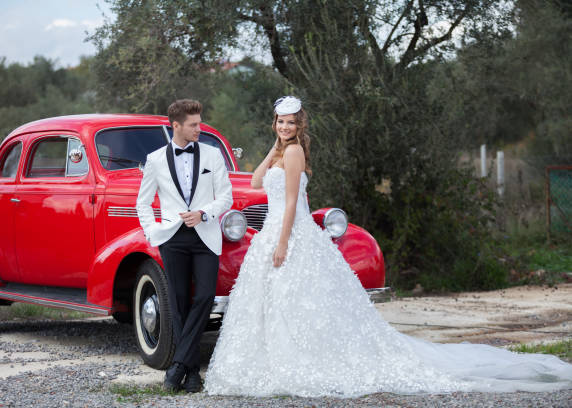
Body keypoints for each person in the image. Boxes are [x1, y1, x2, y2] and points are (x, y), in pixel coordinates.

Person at [204, 96, 572, 397]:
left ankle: (302, 360)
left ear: (300, 126)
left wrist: (282, 243)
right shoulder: (282, 151)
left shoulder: (297, 153)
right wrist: (273, 148)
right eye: (280, 122)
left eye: (291, 123)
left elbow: (287, 204)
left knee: (296, 300)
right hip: (271, 232)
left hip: (290, 233)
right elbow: (254, 180)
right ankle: (275, 360)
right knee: (273, 303)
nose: (285, 128)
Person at [136, 99, 233, 392]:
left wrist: (204, 213)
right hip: (172, 239)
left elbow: (226, 197)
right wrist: (153, 233)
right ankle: (191, 373)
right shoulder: (154, 160)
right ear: (175, 125)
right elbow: (142, 203)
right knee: (178, 302)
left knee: (204, 297)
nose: (198, 129)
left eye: (200, 123)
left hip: (206, 236)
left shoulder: (213, 155)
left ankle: (177, 366)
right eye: (193, 124)